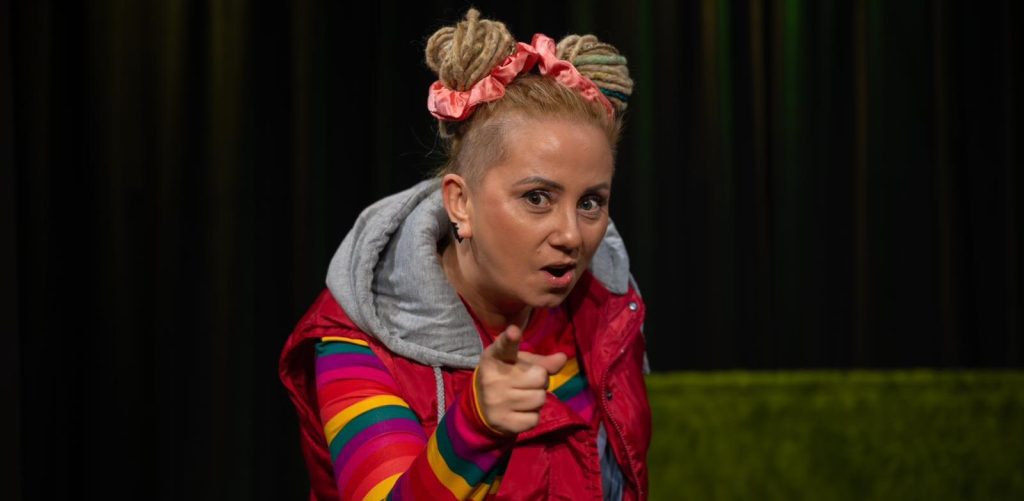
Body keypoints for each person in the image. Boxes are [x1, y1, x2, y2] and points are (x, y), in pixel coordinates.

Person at [279, 8, 651, 501]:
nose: (571, 235)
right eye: (537, 197)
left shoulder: (607, 309)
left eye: (590, 203)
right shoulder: (358, 341)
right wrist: (472, 429)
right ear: (461, 202)